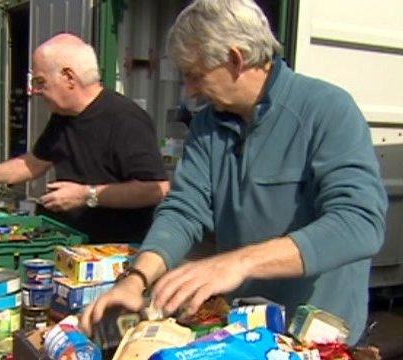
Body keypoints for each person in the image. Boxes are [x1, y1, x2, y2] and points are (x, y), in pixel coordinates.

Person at [81, 0, 387, 345]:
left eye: (196, 75)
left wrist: (237, 263)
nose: (189, 90)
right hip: (244, 331)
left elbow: (360, 223)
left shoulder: (327, 110)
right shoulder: (206, 125)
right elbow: (184, 209)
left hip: (317, 337)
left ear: (236, 59)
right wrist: (134, 280)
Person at [0, 33, 169, 243]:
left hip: (115, 252)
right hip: (72, 243)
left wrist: (88, 196)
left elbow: (157, 189)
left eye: (39, 82)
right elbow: (30, 164)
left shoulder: (125, 119)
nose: (34, 91)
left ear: (69, 77)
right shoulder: (63, 116)